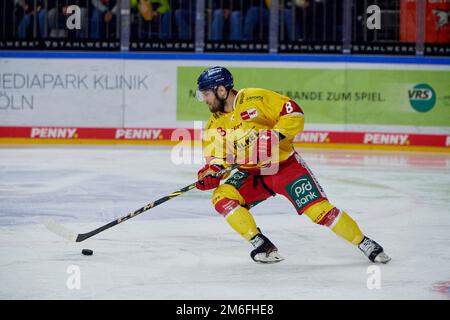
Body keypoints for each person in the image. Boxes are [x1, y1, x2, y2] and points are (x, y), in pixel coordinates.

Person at [194, 66, 391, 264]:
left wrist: (274, 135)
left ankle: (364, 242)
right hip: (252, 174)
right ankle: (262, 245)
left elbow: (294, 113)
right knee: (221, 196)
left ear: (221, 90)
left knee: (319, 212)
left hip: (285, 167)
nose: (204, 99)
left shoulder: (254, 98)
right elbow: (216, 157)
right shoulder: (215, 124)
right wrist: (211, 173)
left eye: (206, 94)